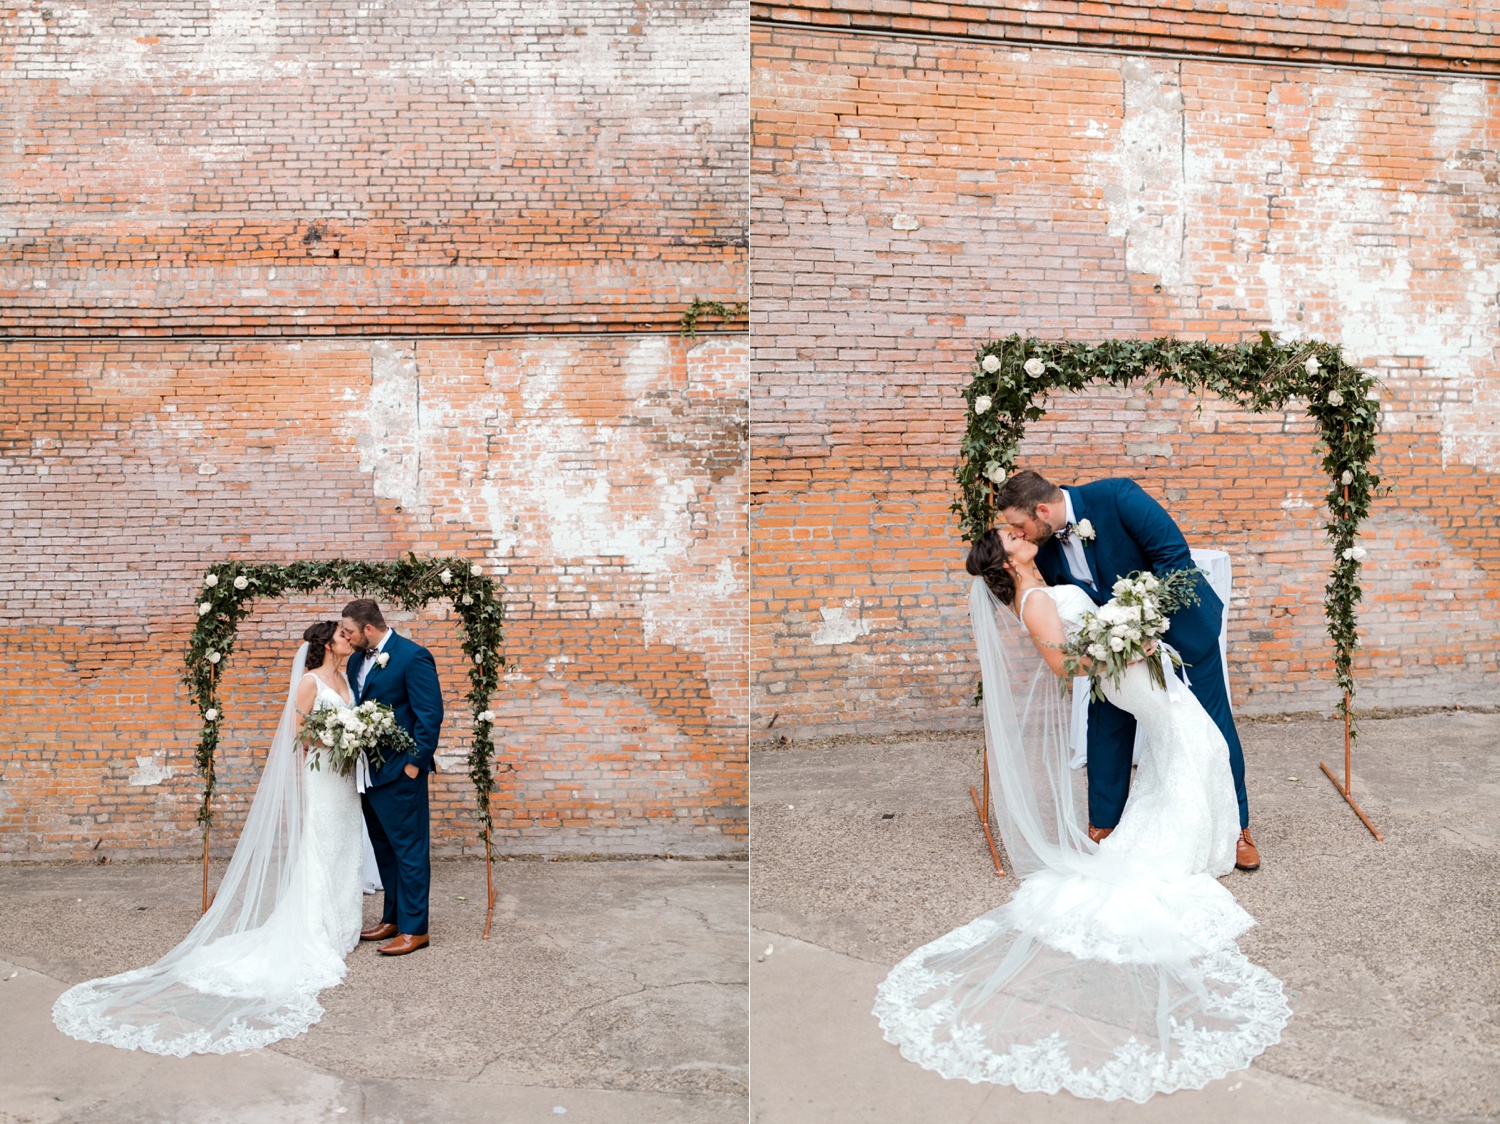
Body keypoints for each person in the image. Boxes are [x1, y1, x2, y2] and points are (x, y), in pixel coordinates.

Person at [872, 528, 1289, 1102]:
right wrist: (1125, 645)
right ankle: (1189, 844)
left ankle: (1202, 835)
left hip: (1135, 666)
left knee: (1188, 748)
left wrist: (1128, 632)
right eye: (1009, 537)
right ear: (1006, 560)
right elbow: (1066, 668)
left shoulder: (1044, 584)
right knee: (1200, 744)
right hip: (1126, 675)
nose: (1018, 534)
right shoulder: (1036, 601)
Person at [53, 622, 366, 1055]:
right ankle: (318, 930)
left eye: (350, 636)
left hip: (344, 781)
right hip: (323, 778)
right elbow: (298, 735)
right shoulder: (311, 682)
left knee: (344, 845)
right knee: (321, 846)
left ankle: (342, 924)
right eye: (343, 636)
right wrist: (333, 738)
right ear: (326, 644)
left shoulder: (347, 678)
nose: (350, 640)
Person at [993, 469, 1258, 870]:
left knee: (1208, 723)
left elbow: (1173, 557)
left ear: (1043, 510)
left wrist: (1140, 624)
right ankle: (1104, 824)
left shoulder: (1118, 497)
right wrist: (1117, 644)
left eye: (1019, 524)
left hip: (1180, 628)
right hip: (1116, 651)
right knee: (1104, 723)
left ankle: (1237, 828)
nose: (1020, 534)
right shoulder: (1041, 546)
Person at [340, 598, 443, 955]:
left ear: (368, 628)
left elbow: (429, 715)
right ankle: (393, 919)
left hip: (401, 773)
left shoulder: (413, 657)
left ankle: (416, 930)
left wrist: (414, 764)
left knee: (410, 851)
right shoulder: (356, 659)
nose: (346, 638)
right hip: (368, 774)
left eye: (349, 632)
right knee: (385, 850)